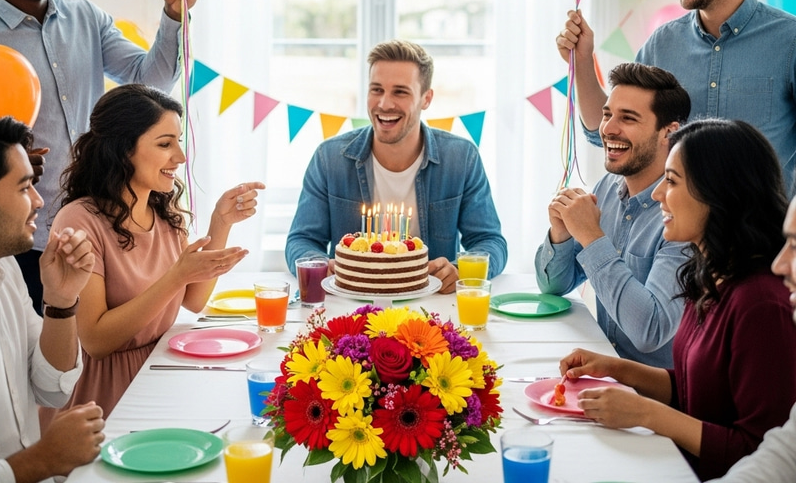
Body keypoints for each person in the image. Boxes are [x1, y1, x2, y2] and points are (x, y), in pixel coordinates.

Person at [558, 119, 796, 481]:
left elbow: (760, 453)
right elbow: (696, 388)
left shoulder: (762, 303)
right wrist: (615, 369)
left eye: (670, 181)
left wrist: (646, 413)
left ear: (718, 192)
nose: (656, 195)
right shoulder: (708, 272)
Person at [0, 0, 202, 312]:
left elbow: (151, 79)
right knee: (35, 365)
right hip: (22, 237)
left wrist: (172, 13)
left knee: (96, 355)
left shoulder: (87, 18)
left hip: (97, 226)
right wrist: (8, 154)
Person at [46, 84, 265, 418]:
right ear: (123, 150)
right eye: (165, 144)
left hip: (162, 370)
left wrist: (220, 224)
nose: (179, 157)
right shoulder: (78, 221)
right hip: (106, 393)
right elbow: (96, 341)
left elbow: (193, 300)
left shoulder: (166, 214)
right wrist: (176, 277)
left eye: (178, 141)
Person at [556, 0, 796, 190]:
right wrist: (582, 61)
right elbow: (606, 132)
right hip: (672, 232)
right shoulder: (662, 43)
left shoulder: (789, 41)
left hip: (762, 233)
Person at [285, 39, 507, 293]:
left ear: (426, 98)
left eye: (400, 92)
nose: (384, 104)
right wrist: (321, 266)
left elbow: (490, 242)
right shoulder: (329, 158)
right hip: (350, 308)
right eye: (376, 90)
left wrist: (459, 271)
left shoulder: (461, 158)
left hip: (433, 310)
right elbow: (301, 240)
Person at [535, 62, 691, 367]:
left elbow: (650, 331)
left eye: (627, 118)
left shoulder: (684, 210)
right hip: (604, 371)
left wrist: (592, 237)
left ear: (669, 132)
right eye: (607, 115)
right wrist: (562, 234)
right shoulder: (608, 187)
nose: (607, 129)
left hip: (659, 399)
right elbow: (553, 286)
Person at [0, 116, 105, 483]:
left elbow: (51, 389)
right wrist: (43, 459)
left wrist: (61, 299)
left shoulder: (6, 269)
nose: (39, 201)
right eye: (24, 187)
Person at [705, 195, 796, 483]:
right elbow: (780, 459)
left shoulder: (759, 301)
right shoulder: (707, 278)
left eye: (795, 246)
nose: (779, 265)